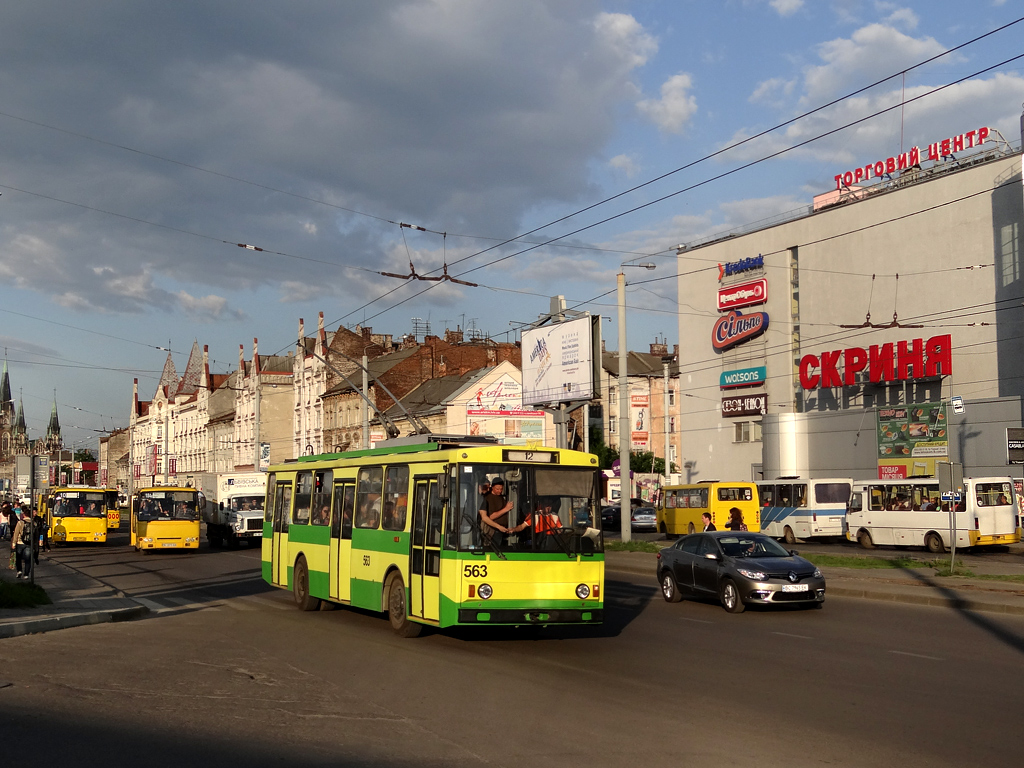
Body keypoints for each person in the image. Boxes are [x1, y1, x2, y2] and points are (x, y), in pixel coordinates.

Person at [479, 479, 512, 547]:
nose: (500, 491)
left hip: (503, 530)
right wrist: (506, 509)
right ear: (492, 487)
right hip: (494, 531)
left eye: (501, 489)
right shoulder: (489, 498)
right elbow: (491, 517)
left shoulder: (501, 497)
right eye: (497, 489)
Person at [11, 508, 33, 580]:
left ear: (24, 515)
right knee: (27, 560)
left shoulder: (20, 522)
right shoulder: (33, 523)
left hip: (20, 543)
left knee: (18, 558)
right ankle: (26, 574)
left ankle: (19, 571)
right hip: (29, 543)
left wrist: (14, 543)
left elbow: (16, 533)